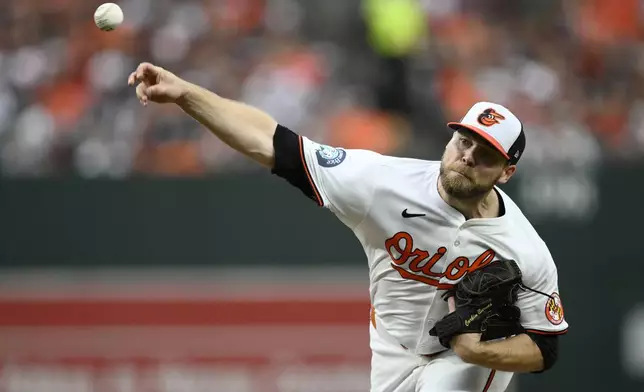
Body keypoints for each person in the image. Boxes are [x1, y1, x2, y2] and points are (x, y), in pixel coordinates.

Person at [127, 62, 569, 392]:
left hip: (464, 359)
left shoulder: (524, 250)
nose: (468, 155)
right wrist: (185, 94)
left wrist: (479, 352)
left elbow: (544, 349)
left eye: (486, 153)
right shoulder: (381, 183)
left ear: (506, 172)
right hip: (392, 347)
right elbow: (272, 142)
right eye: (463, 140)